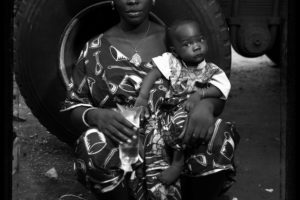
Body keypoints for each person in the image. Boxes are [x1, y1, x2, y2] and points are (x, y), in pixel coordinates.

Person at [60, 0, 239, 199]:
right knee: (91, 144)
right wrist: (96, 116)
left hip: (176, 143)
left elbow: (212, 86)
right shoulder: (94, 50)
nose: (132, 1)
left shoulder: (180, 40)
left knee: (218, 133)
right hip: (126, 146)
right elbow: (72, 106)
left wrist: (207, 105)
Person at [134, 19, 231, 185]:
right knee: (146, 129)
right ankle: (142, 165)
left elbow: (221, 88)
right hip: (165, 109)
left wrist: (199, 94)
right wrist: (142, 97)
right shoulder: (171, 61)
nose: (196, 46)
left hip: (186, 112)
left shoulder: (211, 70)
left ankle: (177, 163)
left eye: (200, 40)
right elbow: (153, 74)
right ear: (175, 50)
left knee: (183, 127)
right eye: (187, 44)